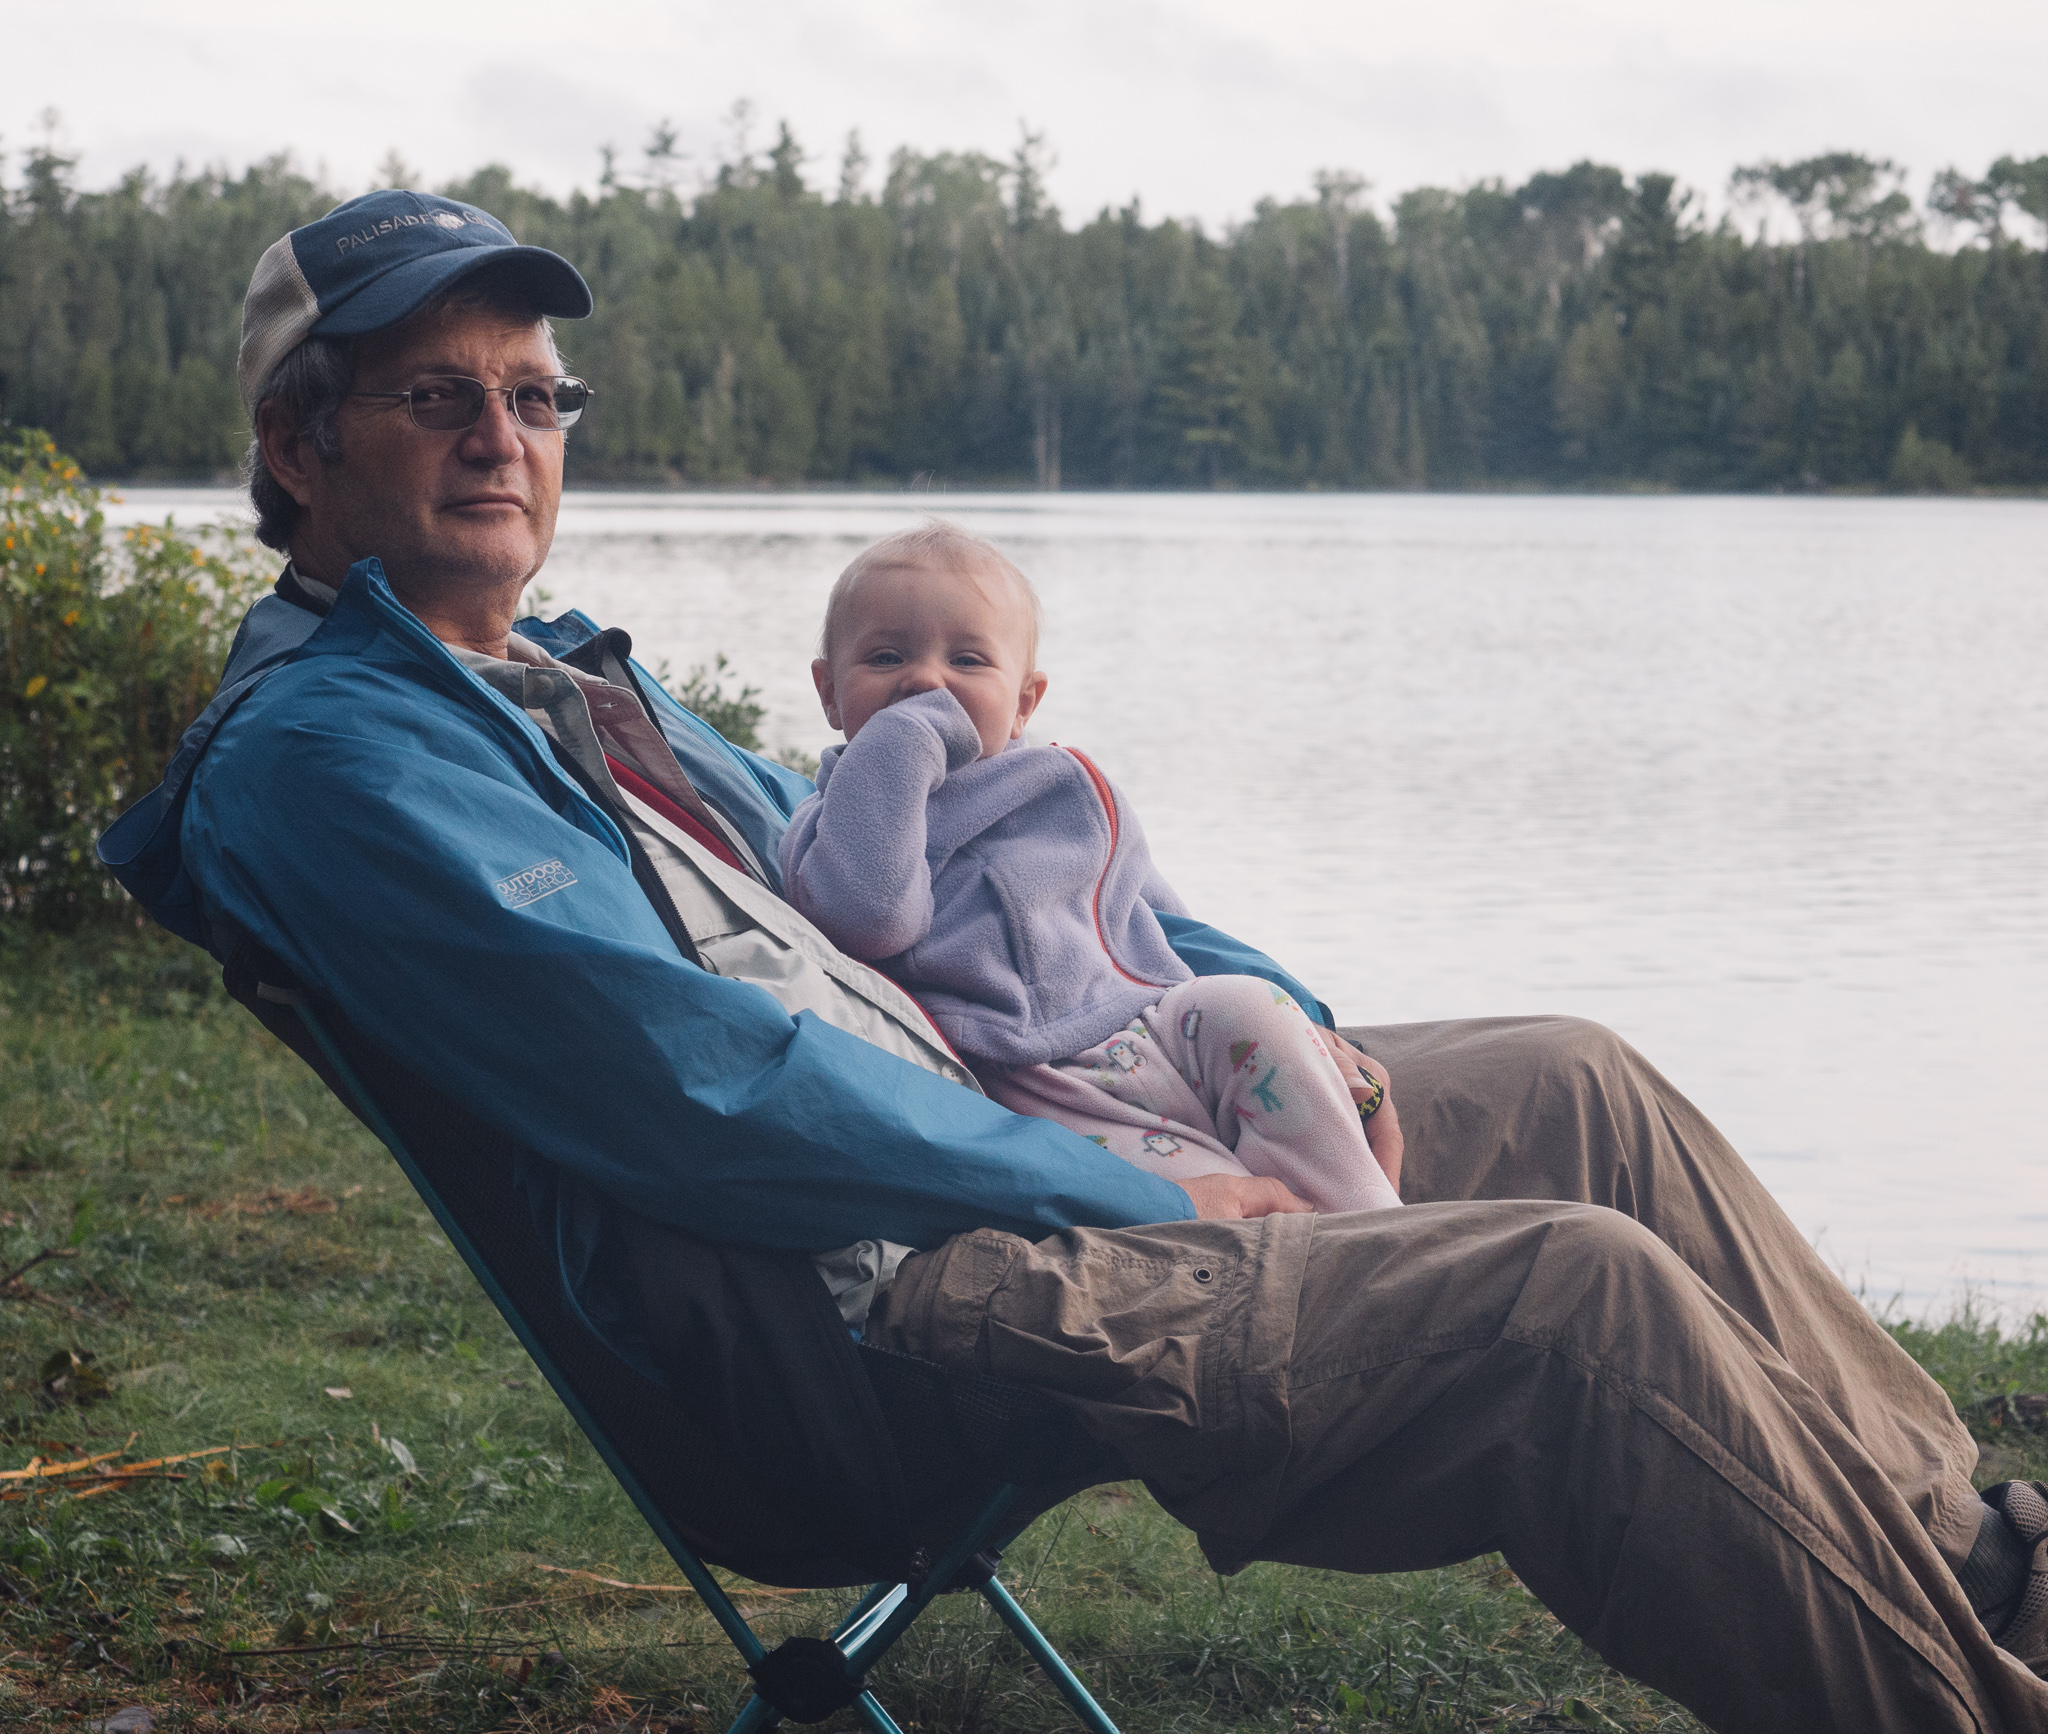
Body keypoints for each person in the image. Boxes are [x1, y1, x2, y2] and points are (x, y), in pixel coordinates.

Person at [98, 190, 2048, 1734]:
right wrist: (1125, 1181)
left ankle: (1972, 1568)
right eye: (434, 395)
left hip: (1009, 1143)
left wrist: (1287, 1017)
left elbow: (965, 850)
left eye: (530, 395)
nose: (501, 437)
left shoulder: (560, 678)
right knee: (1570, 1297)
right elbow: (698, 1090)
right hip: (866, 1328)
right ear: (297, 438)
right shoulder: (336, 766)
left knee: (1574, 1084)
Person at [779, 519, 1402, 1214]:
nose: (926, 681)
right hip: (1033, 1079)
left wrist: (1287, 1020)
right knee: (1222, 1195)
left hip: (1158, 1028)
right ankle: (1308, 1238)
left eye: (969, 662)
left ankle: (1368, 1223)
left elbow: (1157, 919)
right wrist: (901, 743)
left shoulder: (1066, 788)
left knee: (1245, 1003)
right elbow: (873, 920)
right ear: (829, 694)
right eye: (887, 658)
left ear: (1023, 703)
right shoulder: (835, 823)